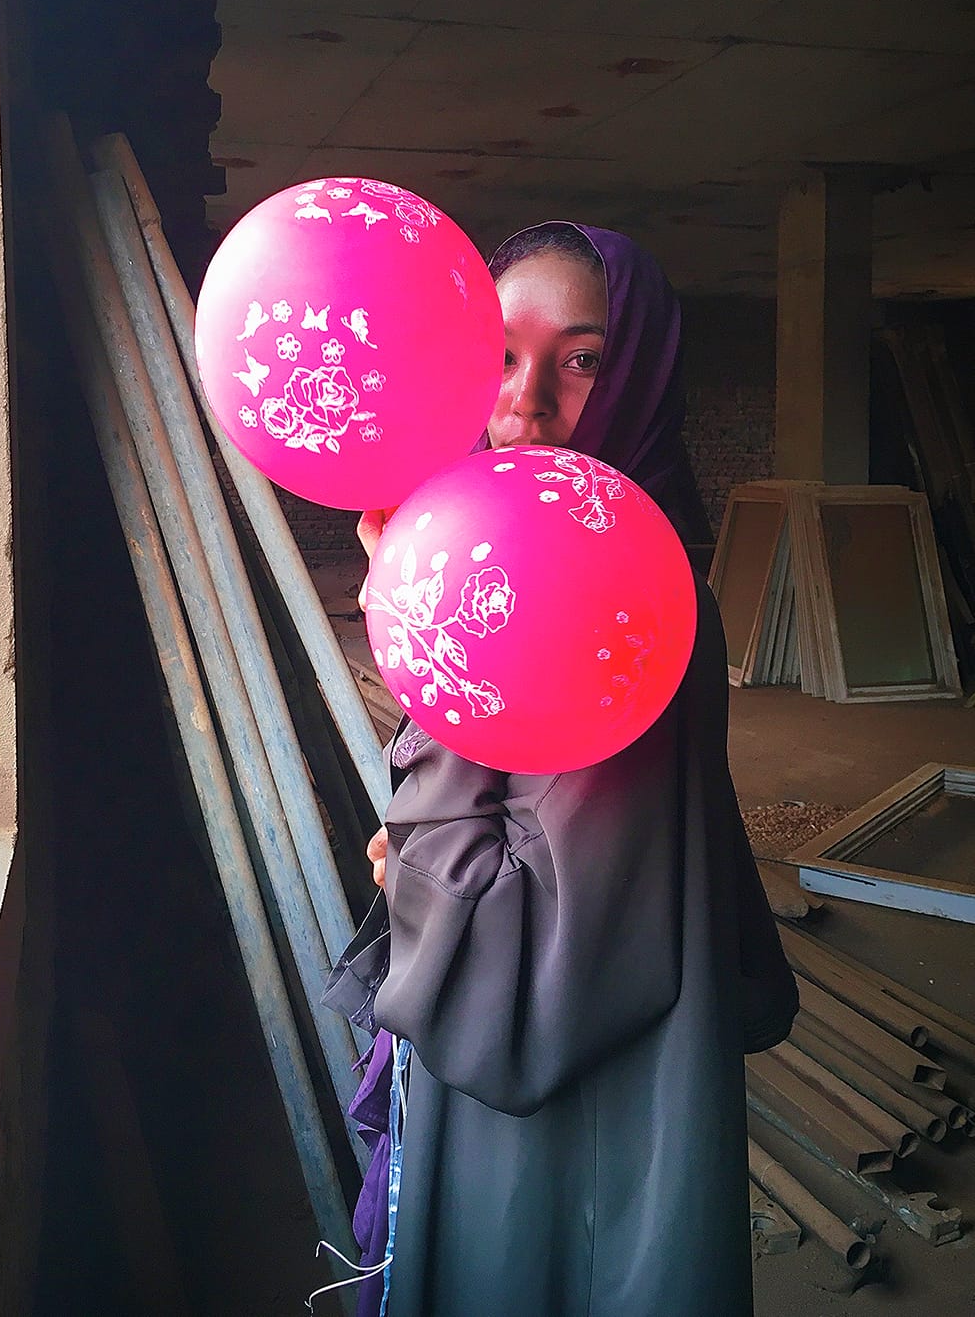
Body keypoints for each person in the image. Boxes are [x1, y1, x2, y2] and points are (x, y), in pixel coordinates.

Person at [321, 222, 798, 1317]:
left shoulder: (629, 594)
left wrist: (412, 864)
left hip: (560, 1117)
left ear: (637, 376)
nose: (526, 402)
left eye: (581, 360)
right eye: (499, 353)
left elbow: (535, 957)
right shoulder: (504, 557)